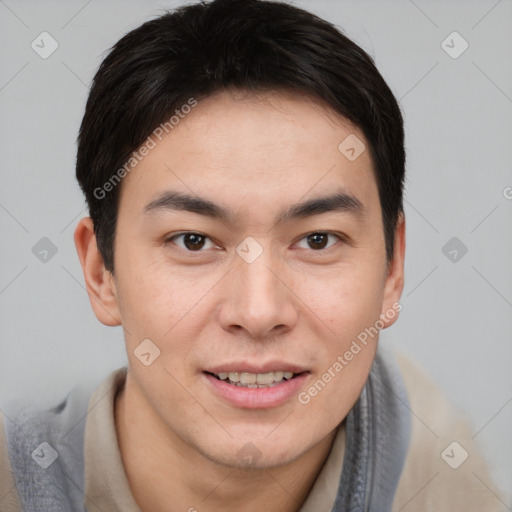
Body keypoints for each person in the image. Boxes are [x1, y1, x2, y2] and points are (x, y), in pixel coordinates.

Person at [0, 0, 506, 510]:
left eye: (317, 240)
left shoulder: (444, 474)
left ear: (392, 269)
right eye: (193, 241)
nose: (259, 312)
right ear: (100, 273)